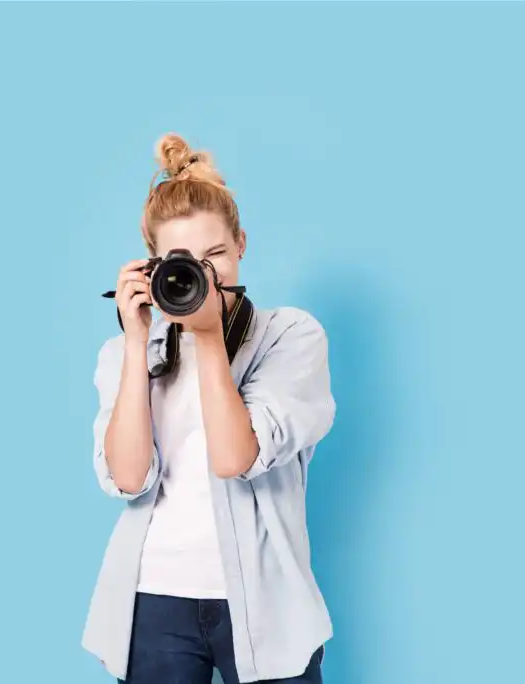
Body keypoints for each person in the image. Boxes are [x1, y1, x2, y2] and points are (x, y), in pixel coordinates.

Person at [81, 133, 335, 684]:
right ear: (154, 268)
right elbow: (128, 477)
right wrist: (133, 341)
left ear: (241, 243)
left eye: (215, 256)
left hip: (268, 598)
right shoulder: (126, 353)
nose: (204, 275)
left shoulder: (290, 337)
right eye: (184, 263)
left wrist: (209, 336)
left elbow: (235, 457)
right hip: (154, 597)